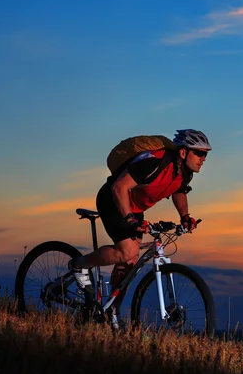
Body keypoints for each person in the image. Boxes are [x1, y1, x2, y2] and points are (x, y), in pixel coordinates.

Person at [67, 129, 212, 329]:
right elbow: (119, 187)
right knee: (128, 251)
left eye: (206, 154)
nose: (203, 158)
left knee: (129, 262)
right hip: (113, 200)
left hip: (133, 209)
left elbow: (179, 192)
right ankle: (79, 264)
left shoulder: (185, 173)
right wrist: (129, 218)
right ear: (183, 153)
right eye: (199, 153)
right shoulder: (153, 162)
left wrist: (185, 217)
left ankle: (112, 310)